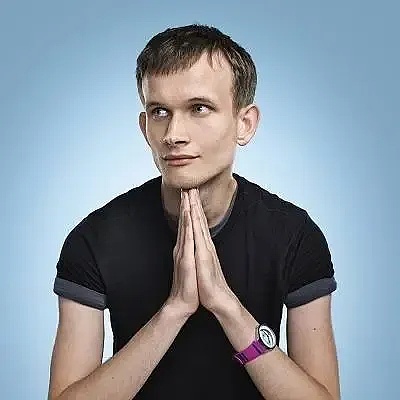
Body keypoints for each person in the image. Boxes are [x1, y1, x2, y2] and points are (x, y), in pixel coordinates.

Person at [47, 24, 340, 400]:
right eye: (160, 112)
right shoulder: (94, 239)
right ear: (144, 127)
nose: (174, 134)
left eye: (199, 108)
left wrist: (227, 307)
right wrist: (174, 311)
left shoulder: (295, 236)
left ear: (244, 124)